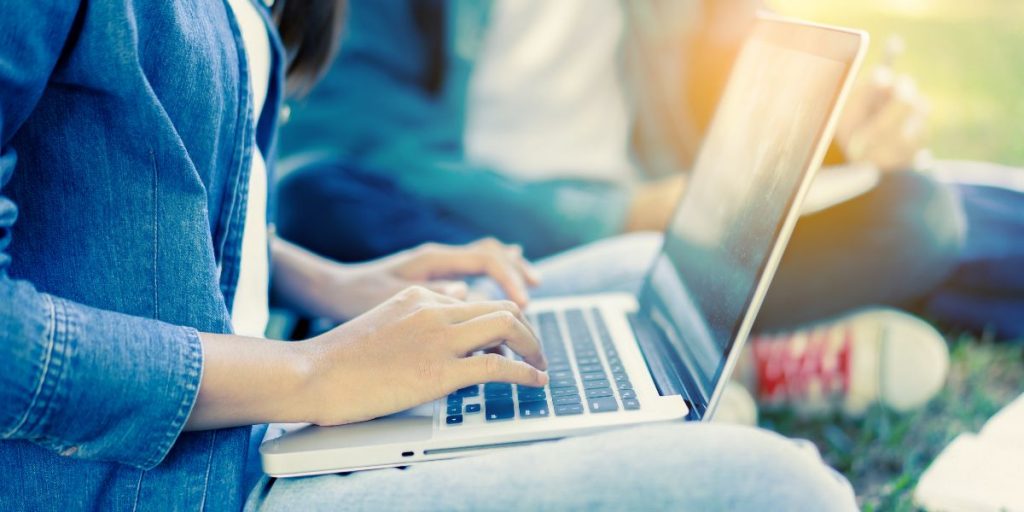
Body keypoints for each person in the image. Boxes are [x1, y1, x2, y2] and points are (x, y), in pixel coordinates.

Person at [0, 1, 858, 510]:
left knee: (636, 276)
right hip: (195, 478)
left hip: (273, 391)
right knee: (783, 492)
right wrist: (310, 374)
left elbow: (141, 198)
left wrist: (338, 286)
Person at [274, 0, 971, 420]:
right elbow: (350, 137)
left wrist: (841, 128)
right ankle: (739, 354)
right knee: (319, 201)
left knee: (921, 214)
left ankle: (673, 353)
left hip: (663, 226)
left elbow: (735, 71)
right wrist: (615, 216)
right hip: (464, 224)